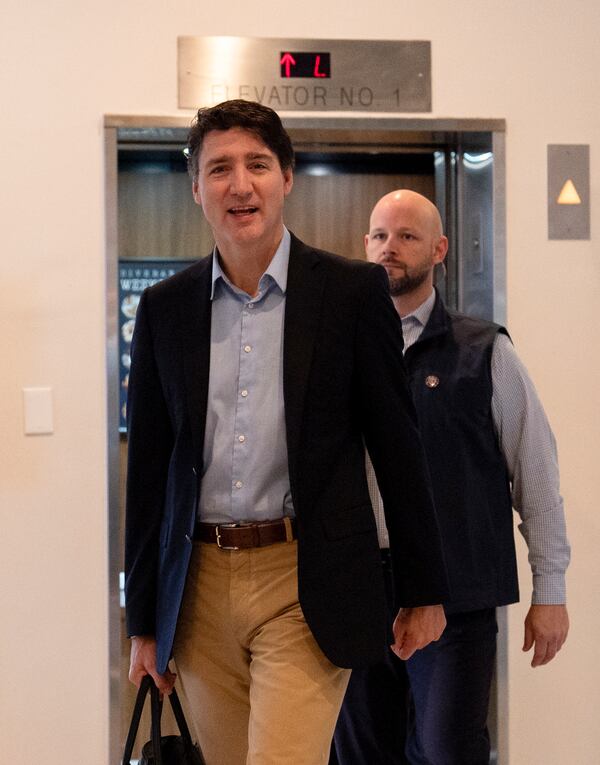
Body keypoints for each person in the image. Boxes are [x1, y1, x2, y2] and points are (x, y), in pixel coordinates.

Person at [124, 102, 450, 765]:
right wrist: (142, 622)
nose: (239, 185)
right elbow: (151, 473)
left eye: (257, 165)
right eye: (219, 168)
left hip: (307, 580)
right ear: (196, 188)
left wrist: (424, 585)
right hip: (200, 585)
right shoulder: (166, 308)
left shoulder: (354, 293)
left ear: (287, 177)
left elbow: (398, 445)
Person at [332, 190, 571, 765]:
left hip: (456, 594)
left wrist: (551, 591)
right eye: (381, 235)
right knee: (360, 757)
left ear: (439, 250)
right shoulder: (334, 350)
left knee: (447, 752)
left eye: (408, 236)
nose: (391, 247)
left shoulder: (484, 351)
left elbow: (535, 470)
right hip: (356, 595)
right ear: (365, 245)